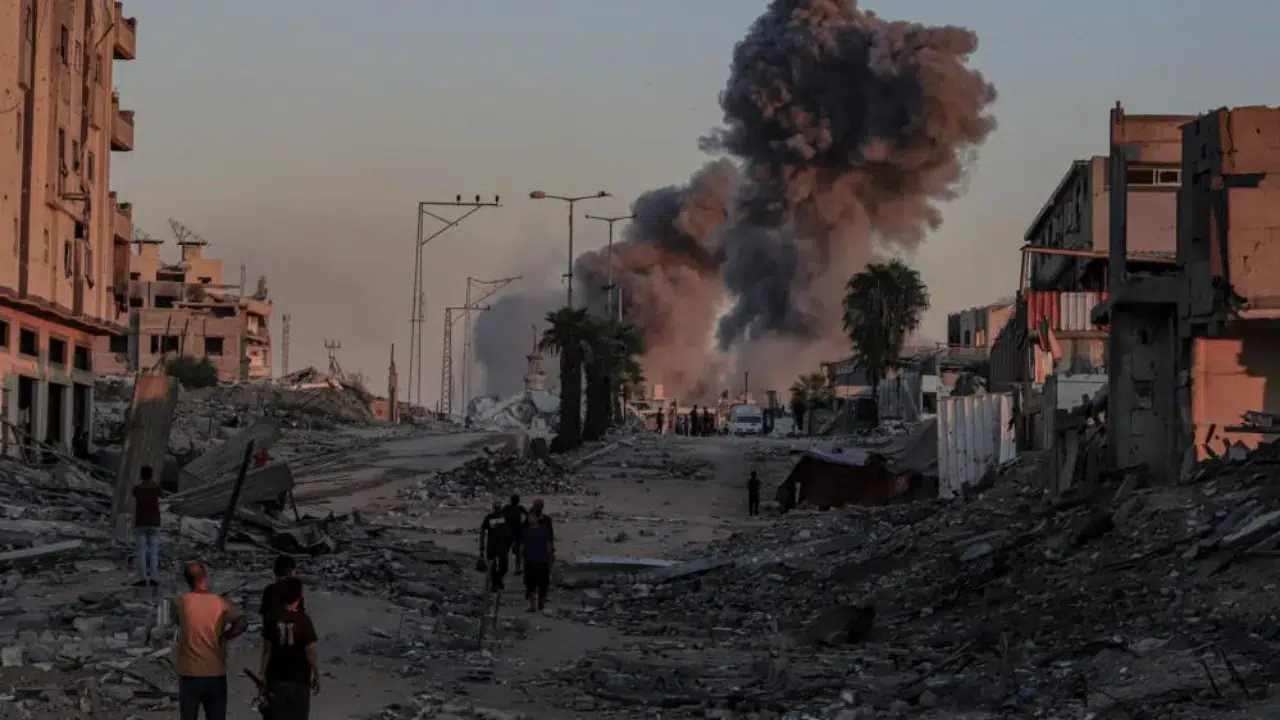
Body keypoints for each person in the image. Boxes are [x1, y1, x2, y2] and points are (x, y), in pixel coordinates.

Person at [173, 562, 247, 720]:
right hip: (215, 673)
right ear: (204, 578)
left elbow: (178, 621)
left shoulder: (181, 602)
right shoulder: (219, 602)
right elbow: (241, 623)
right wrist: (224, 637)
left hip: (190, 673)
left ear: (187, 581)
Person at [260, 577, 318, 719]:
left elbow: (267, 651)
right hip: (300, 679)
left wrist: (261, 674)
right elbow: (309, 650)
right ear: (299, 597)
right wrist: (316, 673)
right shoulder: (304, 619)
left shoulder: (272, 618)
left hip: (276, 677)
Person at [522, 499, 555, 612]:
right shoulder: (528, 527)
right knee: (532, 582)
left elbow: (550, 540)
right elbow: (522, 542)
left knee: (541, 582)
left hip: (540, 558)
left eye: (539, 506)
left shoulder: (545, 523)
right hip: (533, 559)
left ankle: (539, 601)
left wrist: (551, 554)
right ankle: (534, 604)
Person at [132, 465, 162, 587]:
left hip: (141, 522)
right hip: (154, 522)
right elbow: (161, 494)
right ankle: (154, 577)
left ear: (141, 475)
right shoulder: (156, 487)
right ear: (151, 475)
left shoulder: (137, 488)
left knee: (141, 551)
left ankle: (143, 578)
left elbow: (135, 494)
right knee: (154, 551)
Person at [261, 555, 305, 636]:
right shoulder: (297, 584)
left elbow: (265, 616)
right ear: (290, 571)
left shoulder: (269, 589)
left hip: (275, 632)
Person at [479, 501, 511, 592]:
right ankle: (495, 584)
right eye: (496, 508)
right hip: (492, 546)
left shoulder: (504, 518)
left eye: (499, 508)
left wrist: (509, 543)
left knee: (504, 568)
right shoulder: (489, 517)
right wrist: (481, 546)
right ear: (493, 508)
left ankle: (497, 581)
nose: (497, 510)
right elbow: (482, 531)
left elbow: (509, 531)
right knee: (492, 568)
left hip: (502, 546)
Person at [502, 495, 528, 575]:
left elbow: (500, 516)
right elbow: (528, 516)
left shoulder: (506, 508)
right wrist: (524, 524)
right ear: (518, 501)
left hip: (508, 531)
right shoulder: (520, 508)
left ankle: (504, 567)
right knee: (517, 550)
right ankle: (517, 568)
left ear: (511, 500)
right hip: (517, 531)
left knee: (506, 550)